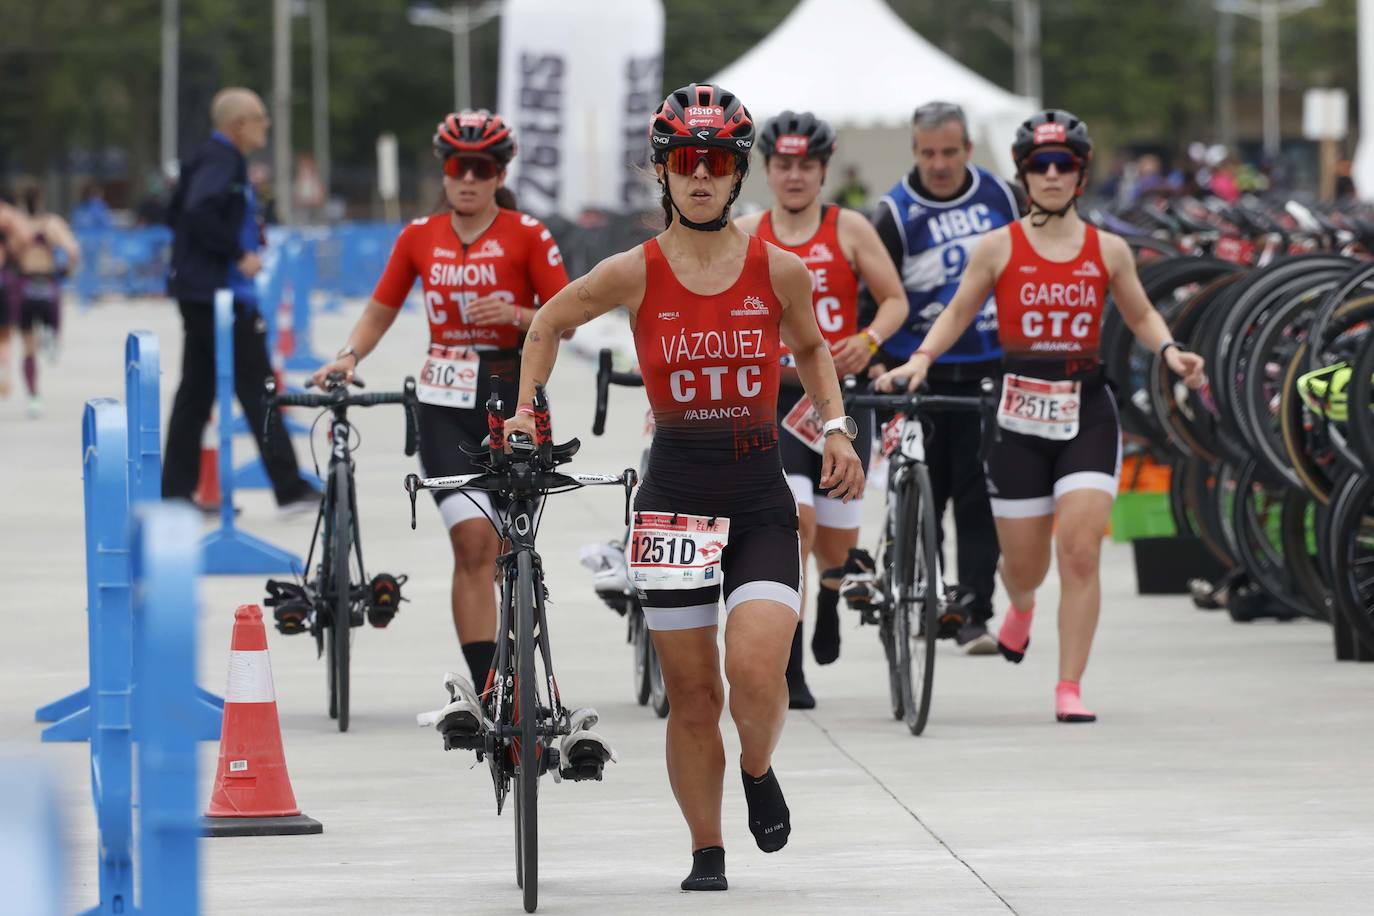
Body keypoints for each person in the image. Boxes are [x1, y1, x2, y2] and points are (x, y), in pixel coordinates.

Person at [504, 82, 864, 892]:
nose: (700, 176)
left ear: (739, 175)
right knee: (694, 693)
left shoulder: (781, 269)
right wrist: (529, 410)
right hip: (672, 498)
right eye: (684, 161)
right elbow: (547, 323)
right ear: (662, 172)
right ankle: (707, 849)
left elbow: (811, 352)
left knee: (758, 670)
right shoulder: (633, 270)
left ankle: (760, 766)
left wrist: (835, 427)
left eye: (716, 162)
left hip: (758, 494)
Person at [875, 109, 1205, 722]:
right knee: (1024, 563)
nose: (1052, 175)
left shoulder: (1108, 249)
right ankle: (1020, 605)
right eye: (1039, 165)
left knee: (1080, 550)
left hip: (1086, 408)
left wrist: (1170, 351)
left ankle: (1068, 687)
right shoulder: (996, 247)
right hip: (1018, 413)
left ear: (1080, 173)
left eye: (1064, 165)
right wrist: (919, 360)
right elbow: (954, 313)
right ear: (1024, 174)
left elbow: (1139, 315)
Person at [309, 110, 569, 691]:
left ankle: (521, 659)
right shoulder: (418, 236)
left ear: (500, 173)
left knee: (510, 543)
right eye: (457, 167)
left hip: (513, 397)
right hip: (444, 405)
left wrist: (519, 315)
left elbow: (565, 320)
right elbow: (381, 308)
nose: (468, 179)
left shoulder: (529, 233)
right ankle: (487, 687)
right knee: (472, 543)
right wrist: (350, 356)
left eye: (481, 168)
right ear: (444, 173)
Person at [735, 111, 908, 709]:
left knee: (836, 545)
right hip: (774, 401)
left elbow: (894, 301)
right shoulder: (747, 229)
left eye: (805, 165)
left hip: (839, 400)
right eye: (783, 164)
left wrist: (870, 341)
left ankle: (832, 596)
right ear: (767, 168)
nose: (794, 176)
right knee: (794, 523)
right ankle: (792, 663)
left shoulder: (851, 227)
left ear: (822, 169)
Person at [870, 100, 1022, 654]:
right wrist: (878, 361)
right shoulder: (893, 213)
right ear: (915, 151)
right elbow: (876, 295)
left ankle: (975, 612)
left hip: (988, 367)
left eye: (950, 152)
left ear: (968, 149)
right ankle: (923, 598)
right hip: (919, 375)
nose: (939, 163)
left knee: (979, 496)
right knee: (924, 495)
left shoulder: (1004, 197)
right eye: (929, 153)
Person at [162, 87, 317, 510]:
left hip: (200, 288)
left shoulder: (203, 157)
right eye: (261, 118)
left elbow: (174, 212)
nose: (266, 125)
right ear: (239, 124)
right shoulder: (223, 160)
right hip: (219, 293)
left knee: (197, 389)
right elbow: (196, 211)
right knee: (257, 383)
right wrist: (237, 253)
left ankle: (175, 493)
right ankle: (289, 488)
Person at [9, 186, 80, 417]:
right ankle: (52, 334)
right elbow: (73, 251)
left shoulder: (17, 226)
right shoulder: (52, 224)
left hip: (25, 284)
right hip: (47, 283)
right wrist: (66, 271)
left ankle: (33, 397)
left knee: (28, 347)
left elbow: (10, 252)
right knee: (52, 323)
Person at [0, 195, 32, 400]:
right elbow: (26, 237)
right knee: (4, 334)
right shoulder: (7, 214)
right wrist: (13, 251)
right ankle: (3, 375)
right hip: (4, 276)